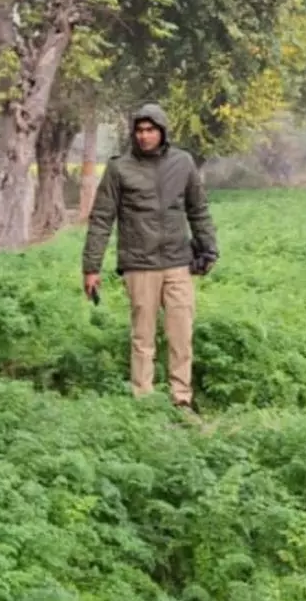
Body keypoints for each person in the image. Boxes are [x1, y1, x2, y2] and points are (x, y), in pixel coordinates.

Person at [82, 103, 219, 412]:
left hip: (177, 261)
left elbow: (198, 209)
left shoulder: (183, 163)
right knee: (143, 338)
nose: (144, 136)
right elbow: (102, 219)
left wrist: (208, 248)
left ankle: (181, 398)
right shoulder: (120, 168)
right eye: (139, 130)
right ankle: (143, 401)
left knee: (181, 333)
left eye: (150, 130)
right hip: (139, 264)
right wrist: (91, 267)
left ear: (162, 132)